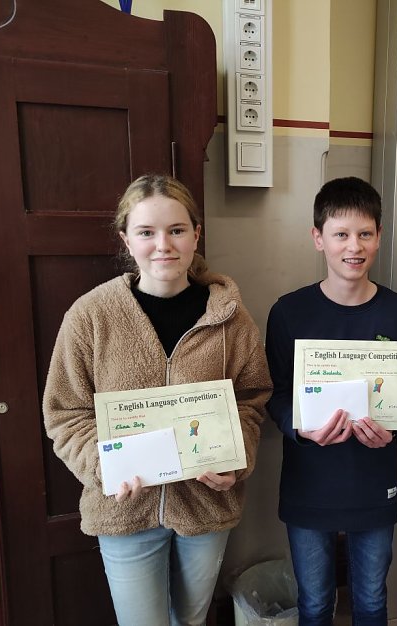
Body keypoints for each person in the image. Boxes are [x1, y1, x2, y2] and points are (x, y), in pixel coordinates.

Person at [43, 174, 272, 626]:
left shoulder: (229, 317)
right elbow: (65, 413)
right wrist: (104, 465)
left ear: (195, 234)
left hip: (206, 504)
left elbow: (250, 399)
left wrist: (236, 459)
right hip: (125, 508)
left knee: (190, 620)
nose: (163, 245)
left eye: (177, 230)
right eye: (147, 232)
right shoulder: (91, 316)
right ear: (126, 239)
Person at [265, 177, 397, 626]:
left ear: (378, 237)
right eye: (341, 234)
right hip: (308, 481)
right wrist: (299, 428)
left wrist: (394, 430)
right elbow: (273, 393)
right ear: (319, 239)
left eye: (365, 234)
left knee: (372, 600)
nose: (354, 246)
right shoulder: (289, 312)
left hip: (373, 478)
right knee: (315, 603)